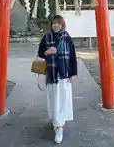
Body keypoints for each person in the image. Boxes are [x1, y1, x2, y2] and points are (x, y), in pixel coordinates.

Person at [38, 15, 77, 144]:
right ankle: (56, 121)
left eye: (58, 24)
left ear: (62, 25)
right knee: (53, 99)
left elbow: (72, 57)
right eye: (54, 23)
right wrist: (47, 52)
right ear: (51, 25)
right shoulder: (46, 38)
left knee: (62, 100)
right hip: (51, 73)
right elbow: (40, 53)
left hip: (63, 75)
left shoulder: (67, 39)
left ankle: (59, 128)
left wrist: (73, 74)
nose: (56, 26)